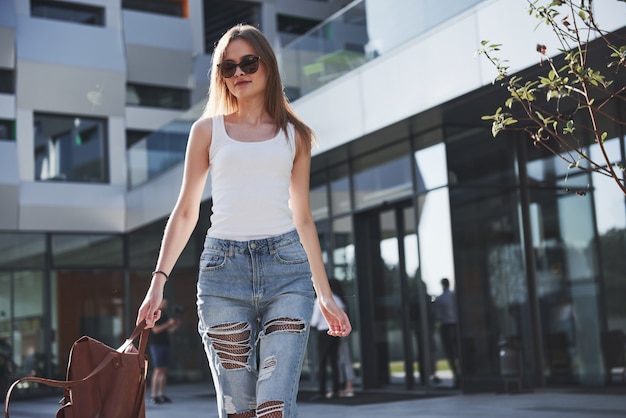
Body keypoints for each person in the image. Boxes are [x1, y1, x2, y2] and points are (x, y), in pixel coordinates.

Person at [135, 23, 351, 418]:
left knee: (273, 407)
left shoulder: (295, 135)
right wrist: (157, 284)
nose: (238, 73)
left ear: (267, 65)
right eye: (227, 67)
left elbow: (303, 217)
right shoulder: (206, 131)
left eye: (248, 62)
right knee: (238, 409)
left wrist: (324, 294)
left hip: (287, 272)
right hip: (222, 276)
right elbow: (186, 211)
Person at [310, 278, 347, 400]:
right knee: (334, 362)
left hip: (323, 333)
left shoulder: (319, 301)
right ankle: (336, 390)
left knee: (322, 363)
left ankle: (322, 391)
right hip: (336, 333)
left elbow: (314, 321)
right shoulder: (337, 299)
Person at [149, 298, 181, 404]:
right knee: (158, 370)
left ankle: (161, 394)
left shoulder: (165, 315)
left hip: (165, 344)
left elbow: (169, 330)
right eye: (164, 302)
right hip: (156, 345)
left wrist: (175, 325)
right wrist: (169, 323)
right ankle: (154, 395)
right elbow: (156, 330)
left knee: (164, 370)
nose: (165, 305)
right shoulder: (153, 314)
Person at [434, 278, 460, 388]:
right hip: (455, 324)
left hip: (446, 325)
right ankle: (460, 373)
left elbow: (438, 315)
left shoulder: (440, 299)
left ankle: (456, 374)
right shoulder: (454, 296)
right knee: (458, 351)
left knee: (450, 352)